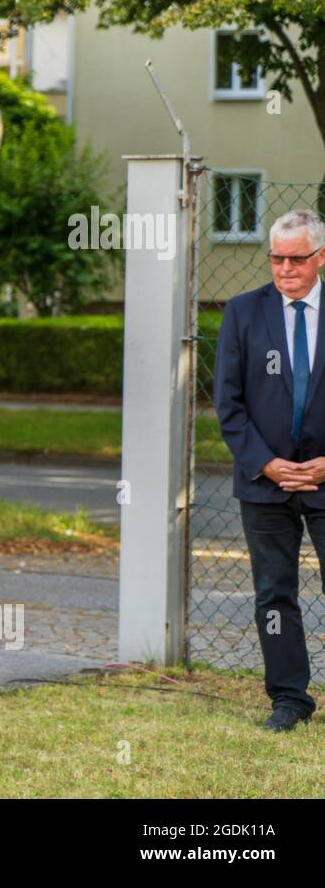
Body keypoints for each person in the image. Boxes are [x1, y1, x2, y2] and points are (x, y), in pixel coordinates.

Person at [216, 207, 325, 731]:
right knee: (275, 595)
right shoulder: (242, 313)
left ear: (320, 256)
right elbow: (228, 405)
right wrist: (268, 464)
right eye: (277, 259)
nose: (285, 269)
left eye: (296, 259)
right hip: (266, 485)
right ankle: (289, 700)